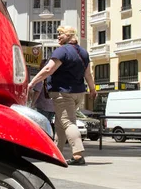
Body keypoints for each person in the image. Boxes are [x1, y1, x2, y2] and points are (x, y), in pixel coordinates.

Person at [28, 26, 96, 166]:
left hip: (63, 93)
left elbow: (48, 69)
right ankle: (55, 153)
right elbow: (88, 74)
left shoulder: (62, 51)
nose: (57, 37)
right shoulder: (83, 52)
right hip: (78, 93)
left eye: (60, 34)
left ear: (69, 35)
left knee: (68, 123)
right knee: (60, 123)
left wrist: (32, 82)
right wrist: (93, 89)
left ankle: (77, 155)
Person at [29, 59, 55, 129]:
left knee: (40, 127)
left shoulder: (41, 77)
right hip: (52, 107)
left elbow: (37, 92)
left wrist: (32, 104)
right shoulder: (53, 77)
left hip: (42, 106)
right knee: (48, 126)